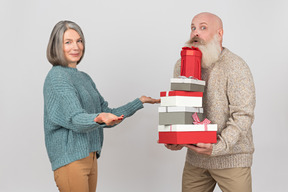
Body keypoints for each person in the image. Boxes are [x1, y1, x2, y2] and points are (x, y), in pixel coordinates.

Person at [44, 20, 160, 192]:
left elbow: (107, 113)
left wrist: (139, 102)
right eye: (68, 42)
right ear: (56, 46)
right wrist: (98, 118)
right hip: (71, 159)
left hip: (90, 156)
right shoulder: (57, 77)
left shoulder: (84, 78)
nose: (75, 47)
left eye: (79, 40)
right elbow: (75, 119)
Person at [165, 12, 256, 192]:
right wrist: (175, 135)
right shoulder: (181, 64)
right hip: (196, 160)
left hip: (231, 158)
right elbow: (182, 106)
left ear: (219, 34)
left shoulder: (235, 66)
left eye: (203, 27)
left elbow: (243, 116)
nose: (195, 33)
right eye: (193, 28)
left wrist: (218, 146)